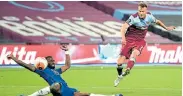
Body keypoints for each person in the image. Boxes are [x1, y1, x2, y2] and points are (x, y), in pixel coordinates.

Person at [7, 45, 122, 96]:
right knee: (55, 85)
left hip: (67, 90)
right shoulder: (41, 70)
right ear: (46, 62)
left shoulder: (57, 71)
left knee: (85, 94)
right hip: (58, 90)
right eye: (50, 60)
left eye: (53, 60)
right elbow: (25, 65)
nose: (53, 61)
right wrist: (13, 58)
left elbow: (67, 65)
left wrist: (67, 51)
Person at [114, 2, 175, 87]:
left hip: (140, 41)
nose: (141, 13)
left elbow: (157, 22)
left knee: (135, 53)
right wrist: (123, 39)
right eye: (139, 11)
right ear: (138, 10)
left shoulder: (150, 17)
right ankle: (120, 76)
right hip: (129, 40)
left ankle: (128, 69)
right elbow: (123, 27)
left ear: (146, 11)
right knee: (119, 62)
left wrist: (166, 28)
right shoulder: (133, 18)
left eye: (143, 11)